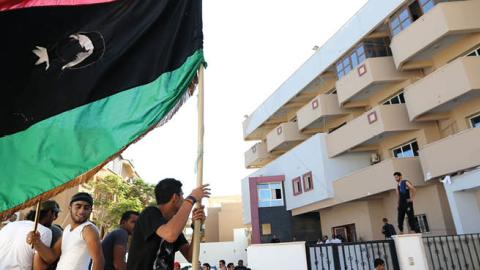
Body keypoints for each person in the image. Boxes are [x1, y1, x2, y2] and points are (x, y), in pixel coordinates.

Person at [126, 178, 210, 270]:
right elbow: (170, 234)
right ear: (175, 197)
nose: (184, 199)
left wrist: (196, 227)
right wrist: (191, 199)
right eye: (182, 195)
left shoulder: (172, 226)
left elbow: (191, 257)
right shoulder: (150, 213)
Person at [28, 192, 105, 270]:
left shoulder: (88, 229)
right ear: (70, 207)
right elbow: (51, 256)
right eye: (78, 207)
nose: (82, 211)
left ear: (90, 210)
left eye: (86, 208)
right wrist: (37, 241)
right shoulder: (67, 229)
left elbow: (98, 260)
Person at [1, 201, 55, 269]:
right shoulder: (45, 231)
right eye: (55, 214)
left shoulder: (9, 225)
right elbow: (38, 268)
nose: (54, 218)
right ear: (50, 213)